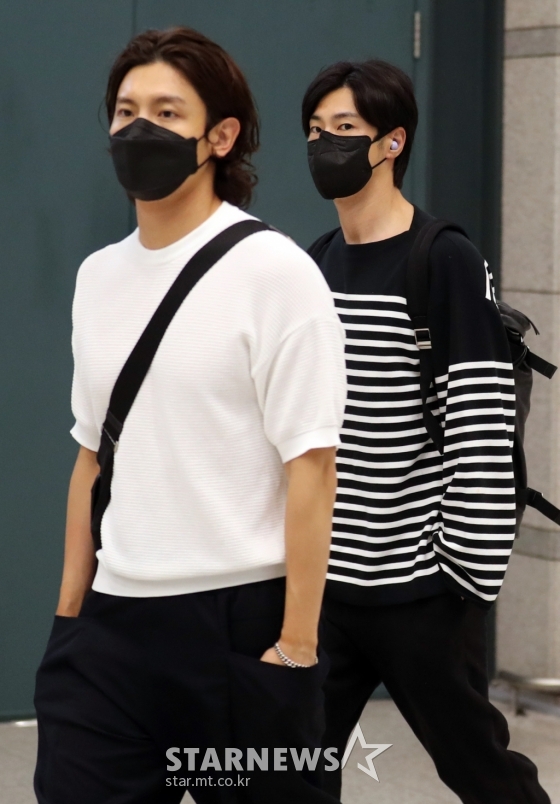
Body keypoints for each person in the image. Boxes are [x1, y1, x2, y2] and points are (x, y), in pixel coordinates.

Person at [34, 27, 347, 804]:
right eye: (126, 110)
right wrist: (69, 614)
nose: (139, 128)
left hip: (238, 630)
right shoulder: (98, 276)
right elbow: (91, 456)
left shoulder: (276, 272)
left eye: (167, 112)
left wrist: (296, 646)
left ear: (221, 136)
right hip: (110, 628)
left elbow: (312, 466)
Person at [303, 59, 551, 803]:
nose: (323, 144)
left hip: (420, 591)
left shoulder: (443, 258)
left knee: (485, 776)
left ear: (392, 142)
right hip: (327, 590)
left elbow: (481, 430)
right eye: (314, 130)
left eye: (344, 128)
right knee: (282, 776)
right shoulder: (314, 263)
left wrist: (459, 580)